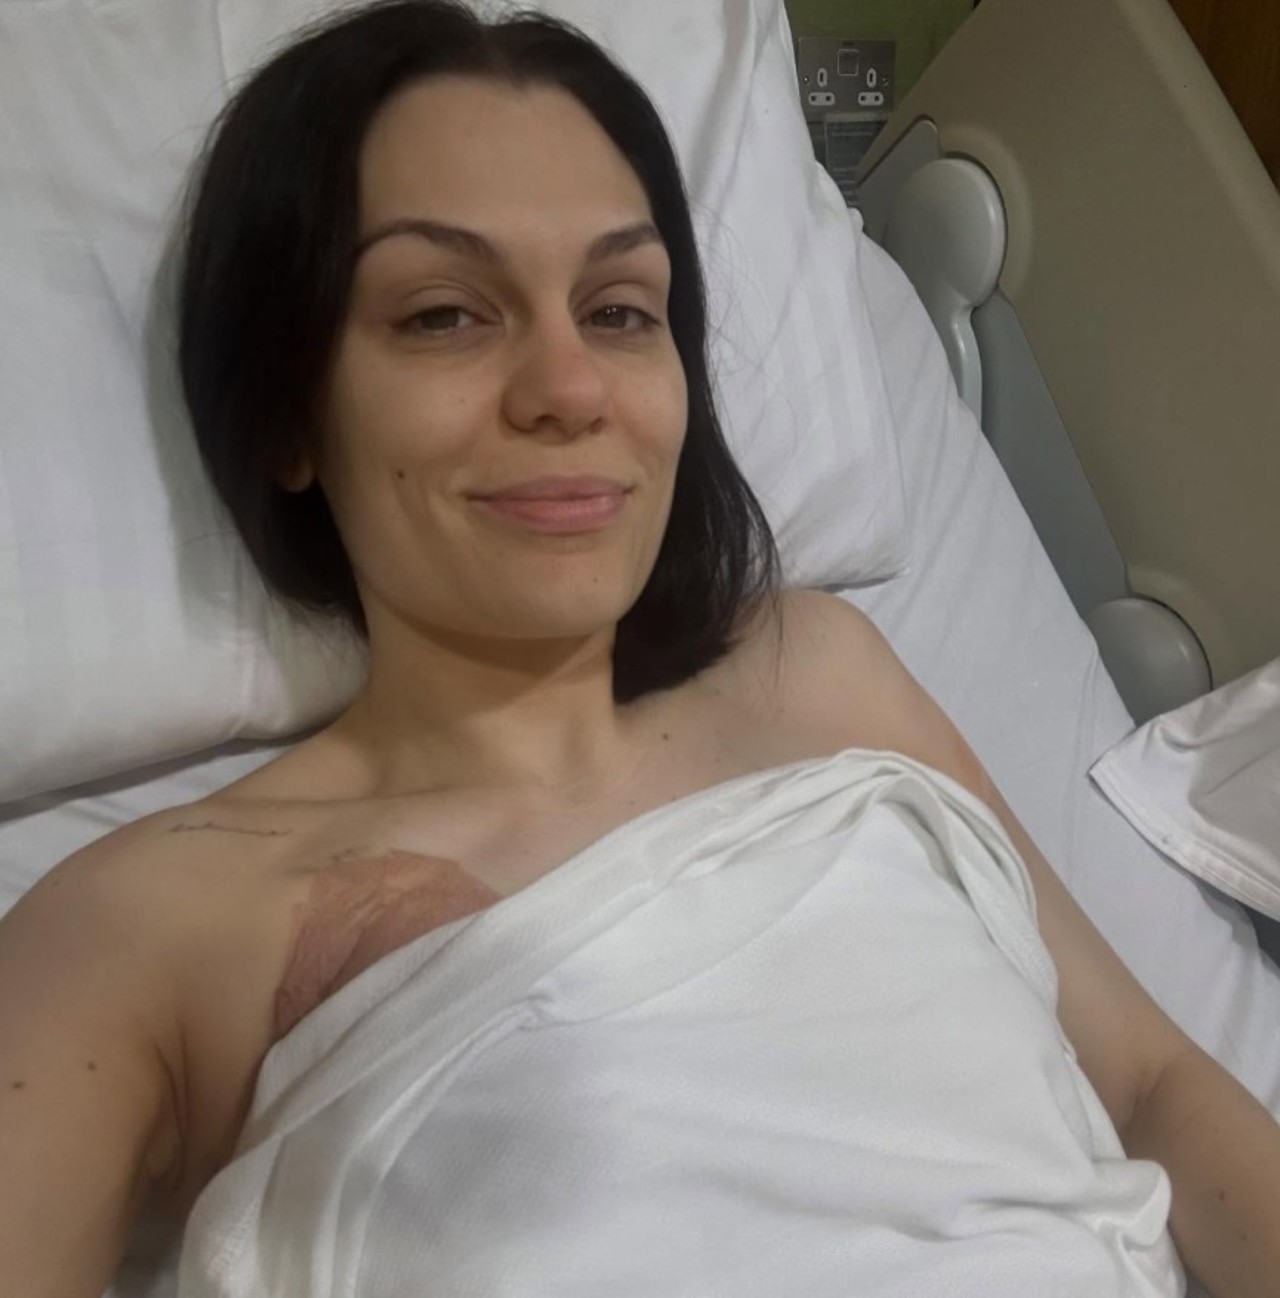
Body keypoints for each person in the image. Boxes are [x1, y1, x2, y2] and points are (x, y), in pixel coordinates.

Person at [1, 2, 1277, 1295]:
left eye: (619, 310)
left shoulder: (816, 673)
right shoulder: (153, 919)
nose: (571, 387)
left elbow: (1149, 1082)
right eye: (443, 314)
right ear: (289, 414)